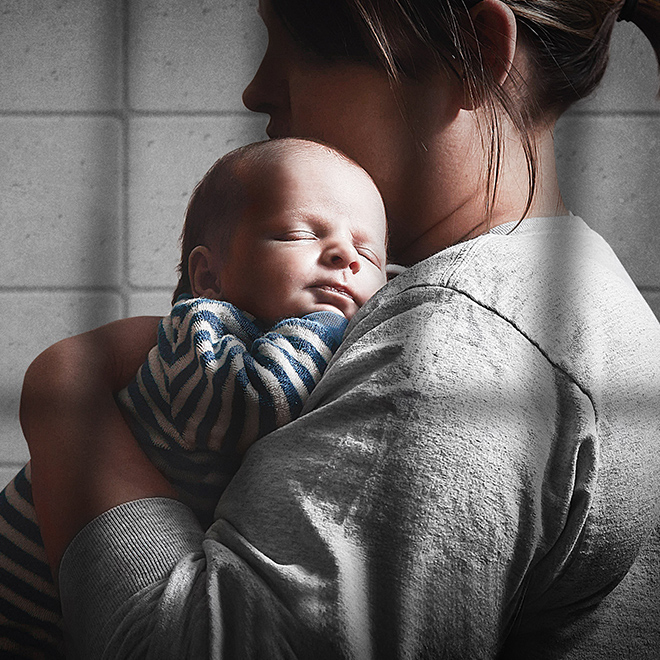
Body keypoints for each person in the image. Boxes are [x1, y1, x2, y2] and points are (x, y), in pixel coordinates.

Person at [19, 0, 660, 657]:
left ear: (473, 48)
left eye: (295, 44)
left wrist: (65, 395)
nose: (257, 88)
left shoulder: (457, 345)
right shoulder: (583, 289)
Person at [0, 137, 388, 657]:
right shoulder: (199, 333)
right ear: (209, 275)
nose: (345, 255)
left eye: (370, 254)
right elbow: (255, 404)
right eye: (301, 234)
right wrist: (343, 324)